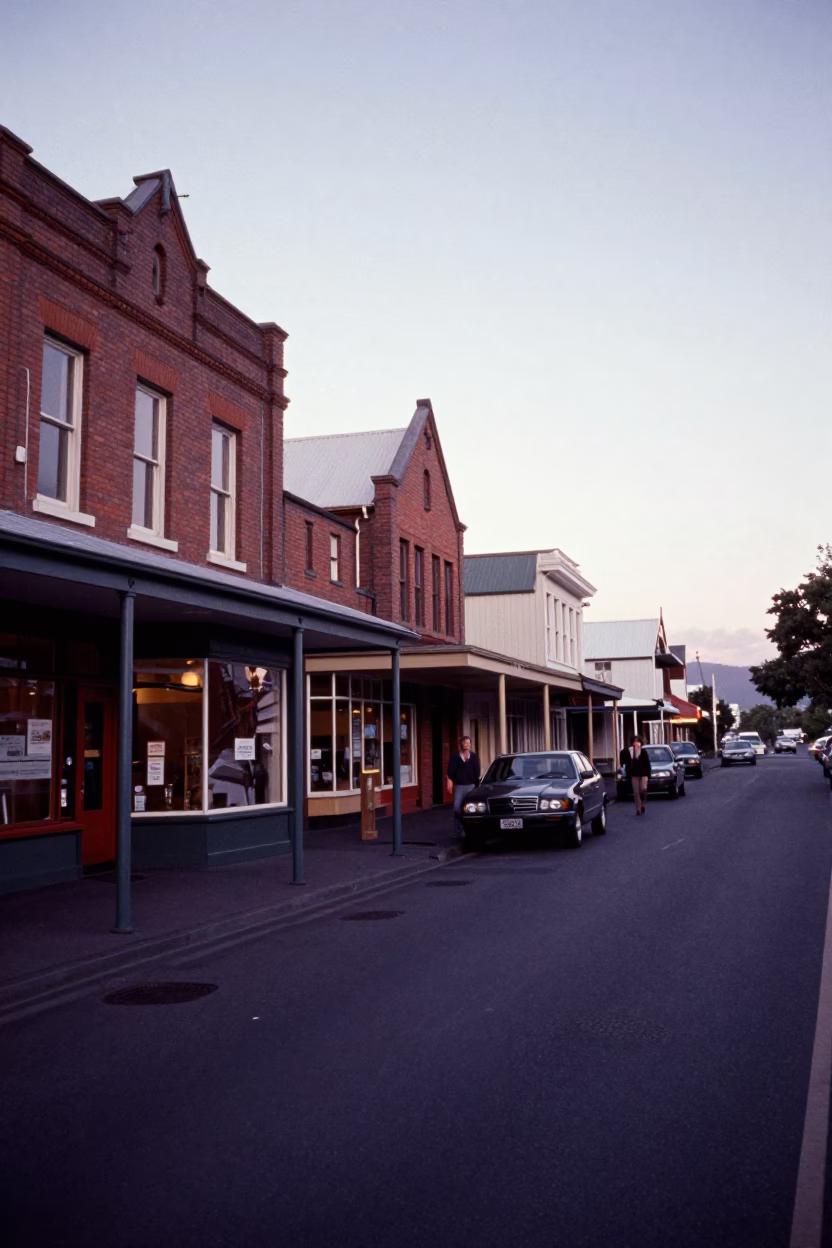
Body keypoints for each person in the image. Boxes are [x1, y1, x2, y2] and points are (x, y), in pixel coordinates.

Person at [447, 736, 481, 838]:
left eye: (468, 742)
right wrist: (449, 781)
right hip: (459, 786)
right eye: (465, 742)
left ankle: (471, 830)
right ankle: (459, 830)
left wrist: (476, 785)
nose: (467, 744)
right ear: (461, 744)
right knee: (457, 807)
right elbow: (450, 772)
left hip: (471, 786)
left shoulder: (474, 757)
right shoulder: (455, 758)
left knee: (471, 808)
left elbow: (477, 771)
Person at [620, 735, 651, 815]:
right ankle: (638, 809)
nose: (636, 743)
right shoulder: (630, 752)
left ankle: (643, 803)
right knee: (636, 792)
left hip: (643, 774)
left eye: (637, 741)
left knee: (643, 790)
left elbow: (647, 764)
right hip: (634, 774)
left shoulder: (644, 752)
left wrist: (648, 775)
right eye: (634, 741)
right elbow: (624, 760)